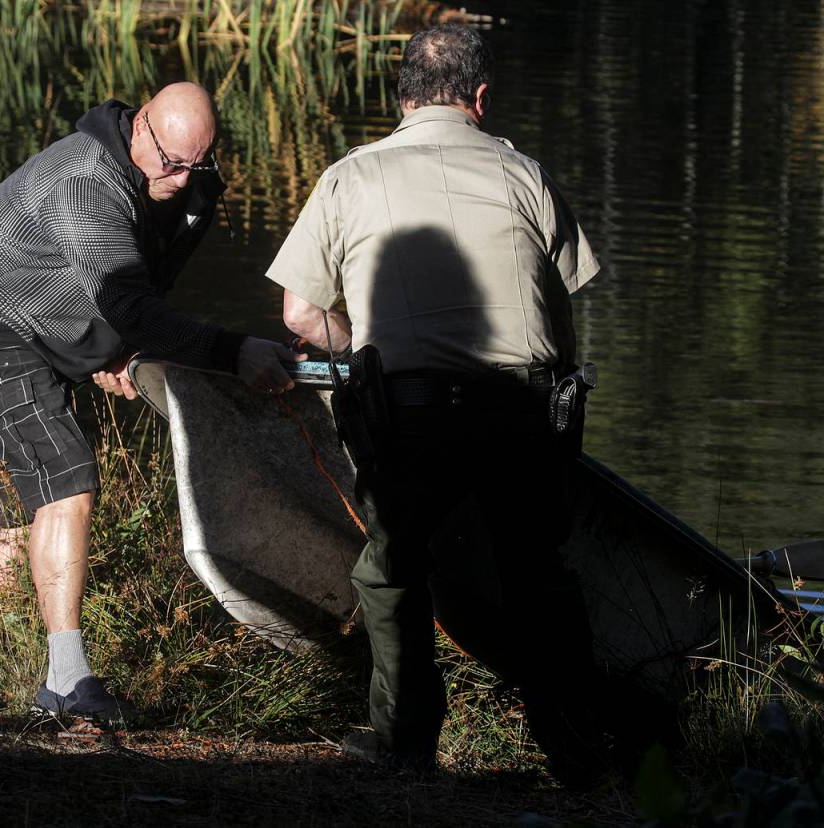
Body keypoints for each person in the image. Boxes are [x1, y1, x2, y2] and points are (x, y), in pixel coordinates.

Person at [265, 25, 604, 777]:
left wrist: (357, 345)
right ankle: (576, 745)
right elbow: (567, 300)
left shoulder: (349, 178)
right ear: (481, 98)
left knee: (392, 566)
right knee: (537, 571)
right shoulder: (526, 174)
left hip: (412, 412)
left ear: (403, 97)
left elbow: (298, 314)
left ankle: (404, 740)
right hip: (524, 410)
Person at [0, 82, 298, 722]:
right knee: (66, 480)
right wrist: (233, 350)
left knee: (29, 497)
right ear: (140, 127)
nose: (180, 180)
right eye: (170, 163)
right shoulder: (84, 182)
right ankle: (66, 684)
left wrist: (118, 348)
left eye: (196, 164)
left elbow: (140, 284)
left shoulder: (188, 185)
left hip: (52, 317)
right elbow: (129, 301)